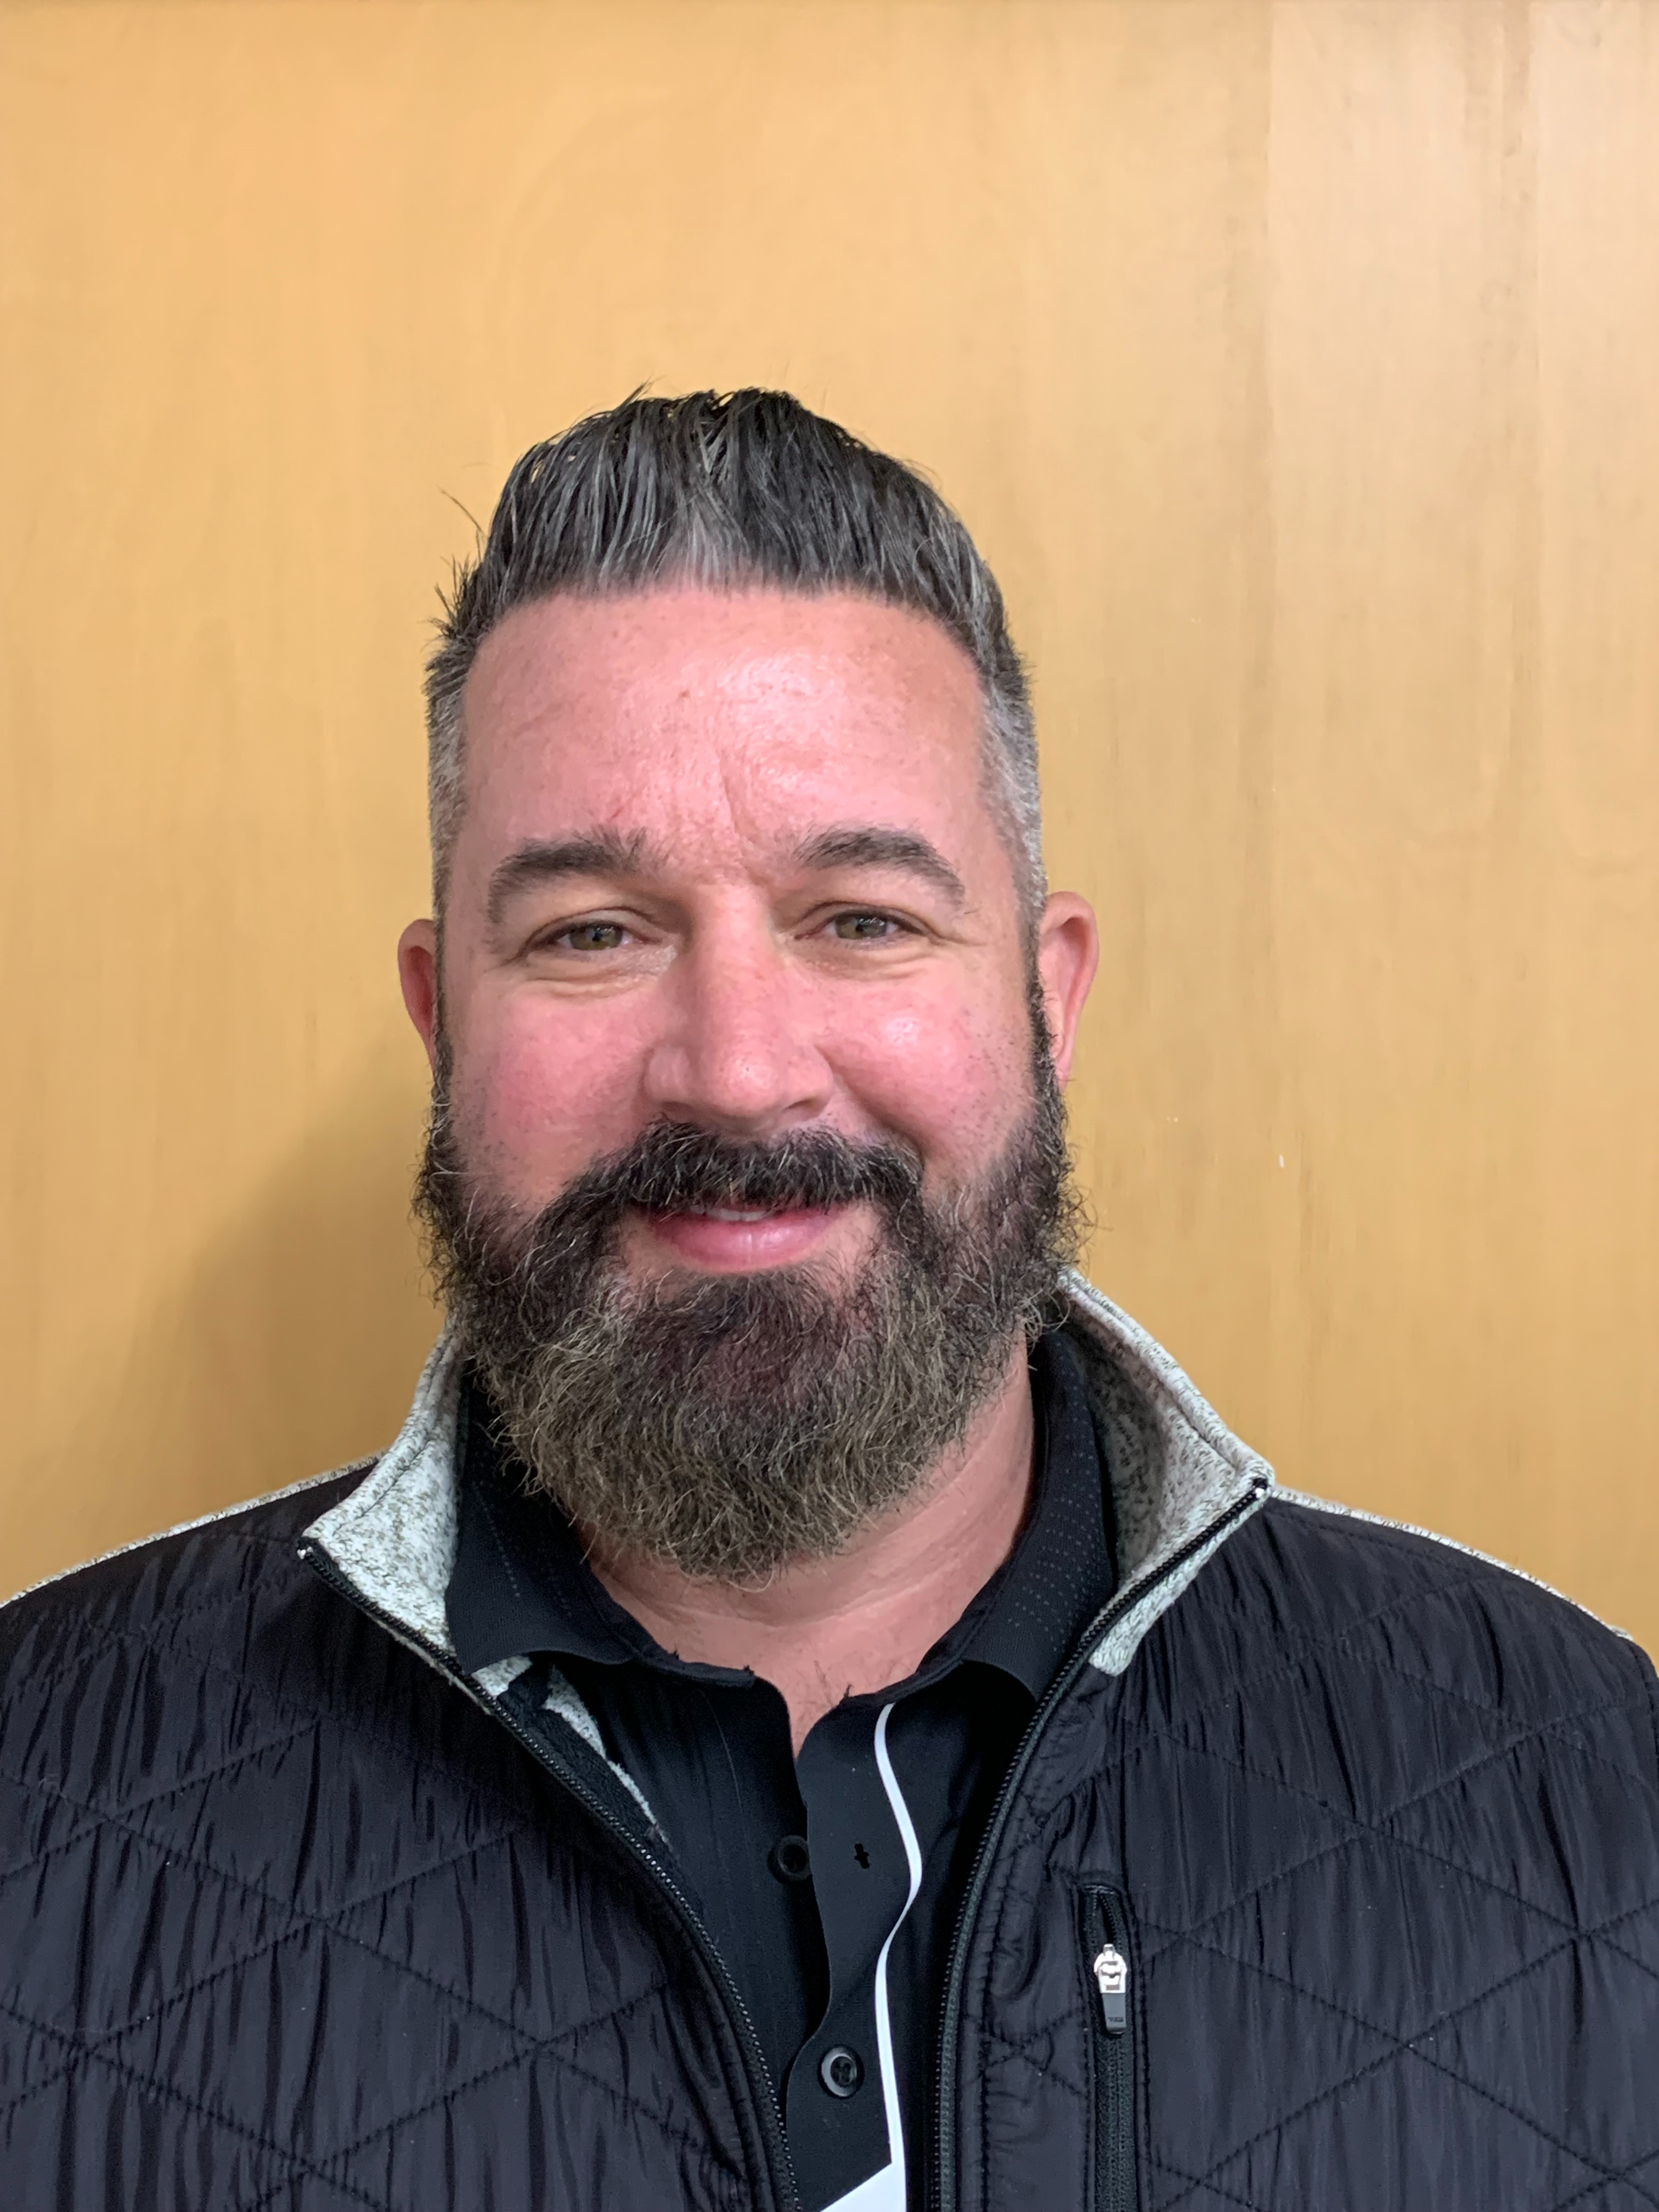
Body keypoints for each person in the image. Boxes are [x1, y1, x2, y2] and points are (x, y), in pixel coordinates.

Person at [3, 390, 1655, 2212]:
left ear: (1049, 999)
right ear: (439, 1020)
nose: (734, 1071)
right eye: (591, 933)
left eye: (861, 916)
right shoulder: (34, 1807)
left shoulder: (1586, 1785)